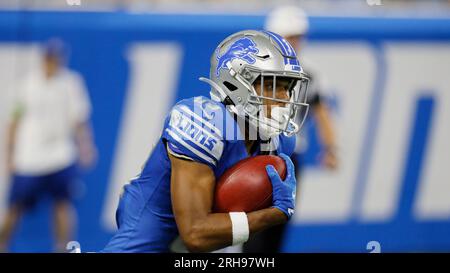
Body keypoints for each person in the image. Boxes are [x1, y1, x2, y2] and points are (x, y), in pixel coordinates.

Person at [102, 30, 310, 253]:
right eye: (271, 86)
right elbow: (195, 234)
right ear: (236, 83)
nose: (284, 99)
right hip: (153, 236)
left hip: (214, 240)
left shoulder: (278, 142)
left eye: (287, 87)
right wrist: (270, 216)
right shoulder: (203, 121)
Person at [242, 5, 339, 253]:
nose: (293, 43)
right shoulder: (252, 70)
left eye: (296, 37)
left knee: (277, 226)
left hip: (288, 157)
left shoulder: (310, 74)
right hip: (255, 153)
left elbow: (322, 112)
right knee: (252, 230)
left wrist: (331, 148)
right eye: (288, 36)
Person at [0, 38, 97, 252]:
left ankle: (64, 248)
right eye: (49, 58)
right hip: (29, 159)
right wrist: (9, 156)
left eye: (56, 58)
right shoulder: (25, 85)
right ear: (43, 59)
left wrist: (85, 146)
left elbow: (79, 119)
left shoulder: (71, 83)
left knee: (63, 205)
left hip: (60, 157)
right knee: (14, 207)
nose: (53, 62)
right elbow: (13, 123)